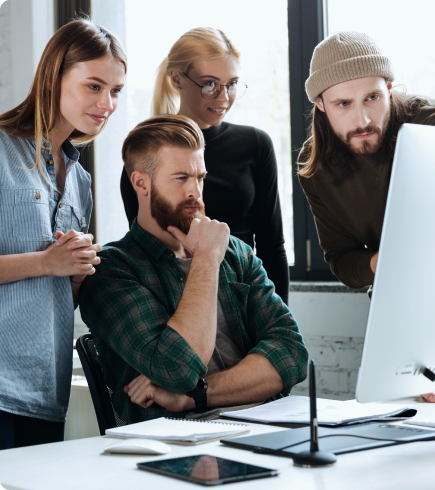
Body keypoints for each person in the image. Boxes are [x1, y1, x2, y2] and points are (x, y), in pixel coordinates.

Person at [79, 115, 307, 424]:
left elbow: (292, 354)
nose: (195, 192)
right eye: (181, 178)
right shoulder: (112, 270)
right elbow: (178, 368)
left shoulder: (234, 252)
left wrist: (194, 395)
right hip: (178, 441)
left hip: (266, 420)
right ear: (141, 183)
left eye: (199, 177)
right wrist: (205, 260)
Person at [298, 31, 435, 404]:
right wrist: (385, 261)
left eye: (373, 97)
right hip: (402, 318)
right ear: (320, 104)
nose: (363, 118)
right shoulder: (315, 165)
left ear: (389, 87)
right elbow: (342, 261)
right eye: (343, 104)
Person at [0, 19, 127, 450]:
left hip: (45, 390)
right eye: (94, 86)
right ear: (54, 77)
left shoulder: (81, 180)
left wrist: (74, 275)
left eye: (115, 91)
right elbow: (42, 266)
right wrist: (44, 262)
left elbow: (55, 292)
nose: (107, 103)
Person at [120, 27, 290, 305]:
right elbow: (148, 254)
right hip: (182, 306)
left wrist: (278, 319)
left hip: (249, 303)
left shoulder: (256, 144)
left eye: (232, 83)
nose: (223, 98)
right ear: (176, 79)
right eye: (210, 84)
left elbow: (272, 247)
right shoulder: (145, 159)